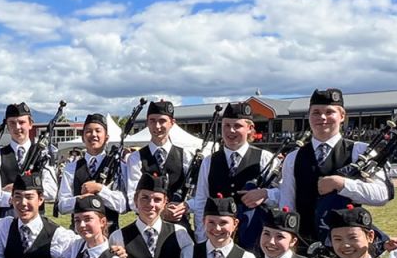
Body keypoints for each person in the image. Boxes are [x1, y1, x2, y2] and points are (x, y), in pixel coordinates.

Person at [242, 89, 391, 245]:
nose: (322, 117)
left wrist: (342, 184)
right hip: (305, 242)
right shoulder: (293, 157)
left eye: (329, 112)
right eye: (316, 112)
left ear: (342, 116)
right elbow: (288, 203)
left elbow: (382, 195)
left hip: (347, 245)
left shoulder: (360, 151)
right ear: (309, 116)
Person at [191, 101, 274, 248]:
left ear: (250, 128)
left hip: (253, 239)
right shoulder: (209, 161)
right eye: (227, 126)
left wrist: (266, 194)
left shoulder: (266, 158)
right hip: (218, 238)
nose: (231, 131)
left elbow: (283, 194)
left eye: (237, 126)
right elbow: (201, 201)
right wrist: (201, 237)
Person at [0, 102, 58, 219]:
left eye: (21, 122)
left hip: (36, 221)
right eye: (12, 123)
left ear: (30, 124)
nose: (17, 127)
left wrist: (15, 191)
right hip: (5, 221)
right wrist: (13, 198)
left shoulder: (43, 154)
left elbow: (52, 192)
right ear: (7, 126)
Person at [123, 100, 192, 228]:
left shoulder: (185, 155)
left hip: (180, 226)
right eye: (152, 121)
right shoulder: (136, 158)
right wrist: (161, 211)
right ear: (147, 123)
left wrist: (185, 206)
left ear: (172, 123)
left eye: (162, 121)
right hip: (147, 225)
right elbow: (133, 196)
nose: (157, 126)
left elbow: (197, 194)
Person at [56, 113, 126, 224]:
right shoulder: (71, 167)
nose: (93, 135)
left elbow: (123, 205)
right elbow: (62, 206)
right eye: (88, 131)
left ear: (106, 137)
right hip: (79, 233)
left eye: (98, 131)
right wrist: (82, 199)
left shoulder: (117, 166)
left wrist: (100, 189)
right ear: (83, 137)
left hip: (109, 233)